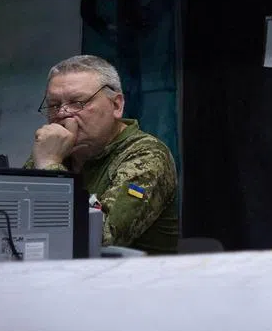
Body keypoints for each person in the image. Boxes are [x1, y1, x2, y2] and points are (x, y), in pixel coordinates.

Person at [26, 54, 179, 254]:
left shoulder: (147, 154)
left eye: (77, 102)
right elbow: (17, 219)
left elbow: (102, 237)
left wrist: (50, 167)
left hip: (134, 280)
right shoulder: (54, 150)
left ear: (116, 105)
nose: (62, 113)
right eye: (54, 105)